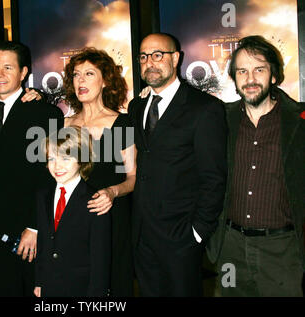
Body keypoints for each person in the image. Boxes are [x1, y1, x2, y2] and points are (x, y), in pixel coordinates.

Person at [127, 33, 227, 296]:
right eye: (143, 56)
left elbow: (214, 178)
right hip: (141, 234)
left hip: (181, 235)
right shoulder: (136, 107)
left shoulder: (204, 108)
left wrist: (197, 232)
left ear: (175, 58)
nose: (150, 62)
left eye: (158, 55)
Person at [206, 35, 304, 297]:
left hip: (282, 251)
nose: (250, 79)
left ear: (273, 75)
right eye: (242, 71)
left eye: (259, 69)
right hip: (231, 247)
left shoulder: (300, 121)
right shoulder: (220, 120)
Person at [0, 41, 64, 296]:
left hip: (26, 227)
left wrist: (35, 226)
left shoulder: (44, 114)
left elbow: (48, 175)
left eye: (7, 67)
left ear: (24, 72)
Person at [63, 47, 137, 296]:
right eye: (76, 74)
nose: (80, 81)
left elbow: (132, 178)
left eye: (89, 74)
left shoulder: (121, 123)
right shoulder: (63, 124)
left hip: (110, 222)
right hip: (71, 224)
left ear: (105, 81)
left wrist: (113, 192)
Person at [34, 126, 111, 297]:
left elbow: (100, 257)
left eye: (66, 158)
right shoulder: (43, 195)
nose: (57, 166)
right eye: (51, 158)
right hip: (49, 285)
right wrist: (39, 281)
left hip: (81, 287)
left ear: (82, 159)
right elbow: (43, 242)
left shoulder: (95, 200)